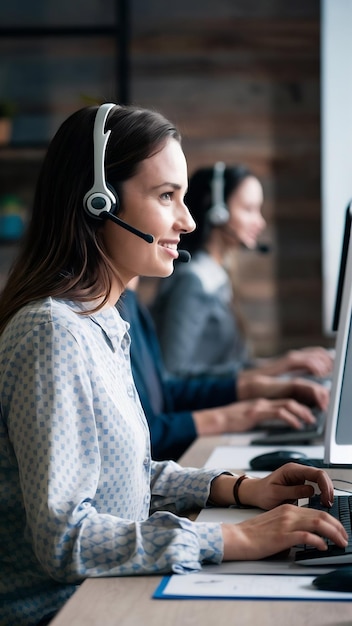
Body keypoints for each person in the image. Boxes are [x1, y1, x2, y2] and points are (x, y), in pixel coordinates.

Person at [0, 103, 346, 626]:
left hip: (103, 592)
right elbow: (66, 540)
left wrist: (238, 488)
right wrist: (233, 537)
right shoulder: (54, 334)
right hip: (63, 610)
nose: (187, 221)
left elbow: (127, 477)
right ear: (99, 201)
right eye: (167, 197)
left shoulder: (102, 324)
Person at [151, 163, 334, 378]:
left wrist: (286, 364)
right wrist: (278, 366)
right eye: (248, 209)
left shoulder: (216, 275)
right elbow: (173, 374)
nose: (260, 222)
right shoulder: (194, 282)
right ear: (217, 212)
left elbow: (231, 364)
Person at [122, 278, 329, 461]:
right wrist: (227, 417)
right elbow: (140, 435)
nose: (186, 230)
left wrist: (253, 389)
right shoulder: (109, 315)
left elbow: (162, 392)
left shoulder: (131, 302)